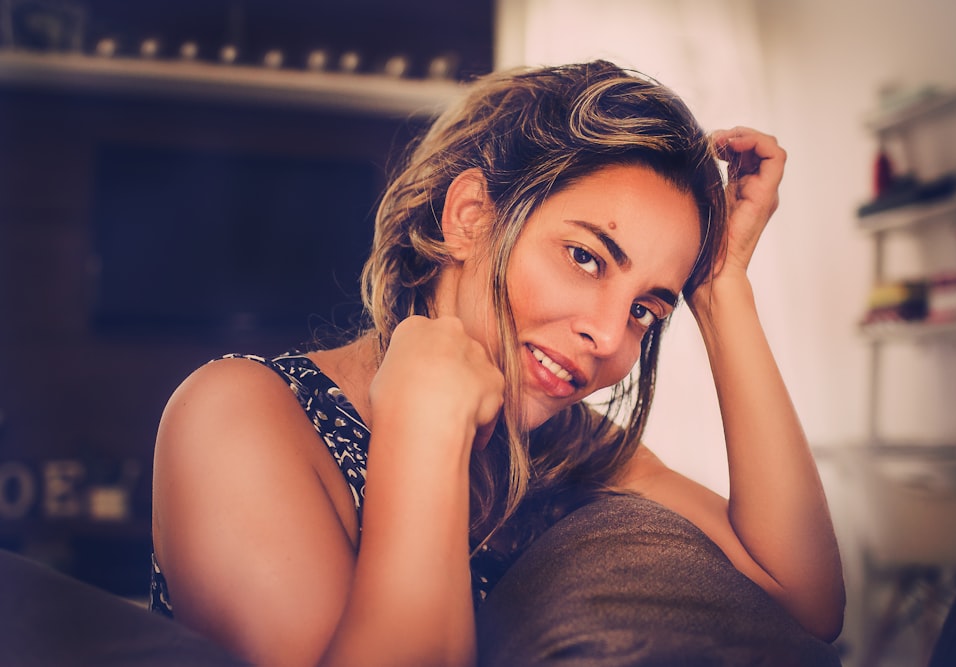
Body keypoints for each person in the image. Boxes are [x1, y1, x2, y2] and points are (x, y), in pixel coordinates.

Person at [149, 60, 845, 666]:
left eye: (647, 309)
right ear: (470, 215)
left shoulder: (576, 450)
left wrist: (722, 288)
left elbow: (804, 598)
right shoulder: (238, 411)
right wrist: (424, 429)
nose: (609, 336)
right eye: (585, 257)